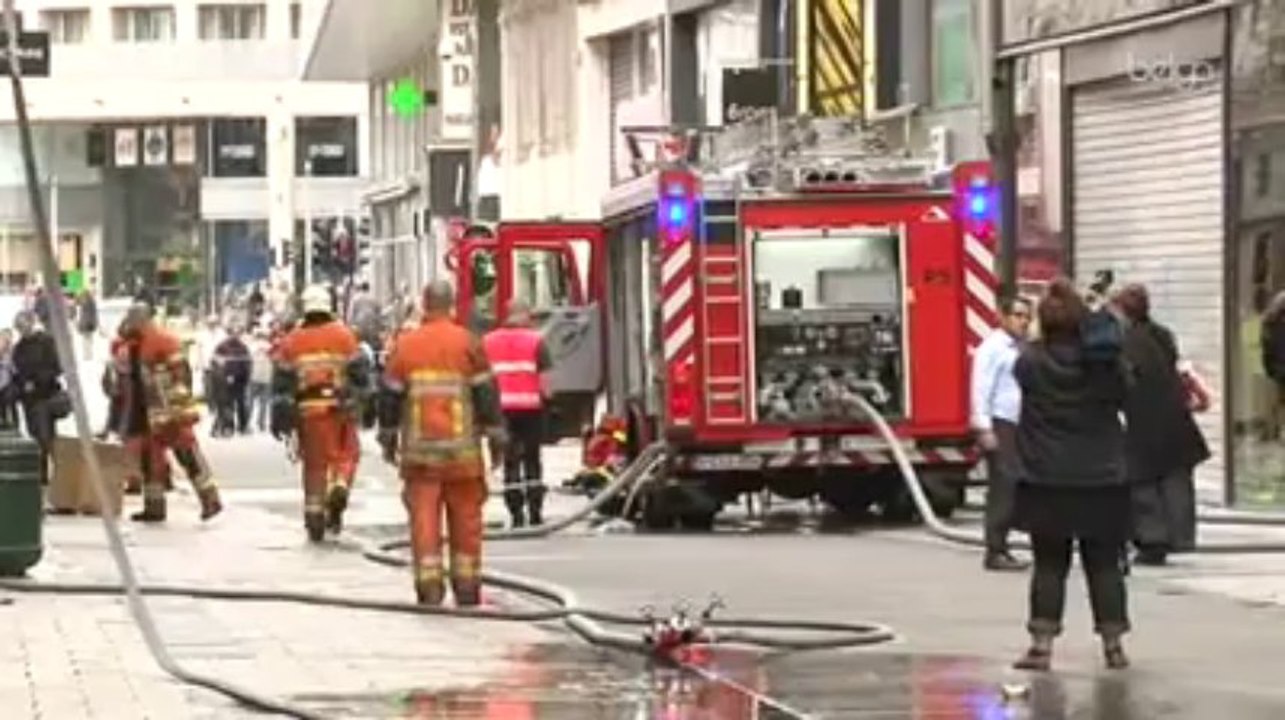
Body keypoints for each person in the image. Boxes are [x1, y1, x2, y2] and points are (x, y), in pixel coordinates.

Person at [1011, 279, 1133, 672]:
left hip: (1048, 478)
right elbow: (1125, 390)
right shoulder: (1104, 366)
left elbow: (1023, 372)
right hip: (1101, 477)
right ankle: (1113, 645)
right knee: (1104, 564)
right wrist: (1099, 323)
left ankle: (1042, 645)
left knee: (1049, 563)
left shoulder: (1030, 362)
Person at [377, 281, 506, 606]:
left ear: (424, 303)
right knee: (467, 521)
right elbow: (486, 395)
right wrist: (496, 435)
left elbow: (389, 397)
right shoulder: (468, 343)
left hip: (421, 457)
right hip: (463, 456)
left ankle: (429, 588)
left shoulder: (406, 346)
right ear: (451, 305)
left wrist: (388, 435)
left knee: (424, 522)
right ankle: (467, 587)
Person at [1112, 284, 1210, 566]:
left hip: (1142, 420)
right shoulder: (1162, 334)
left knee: (1144, 484)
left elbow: (1125, 381)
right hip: (1174, 418)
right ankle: (1179, 536)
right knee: (1175, 480)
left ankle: (1152, 541)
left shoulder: (1125, 342)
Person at [271, 285, 368, 541]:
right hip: (339, 408)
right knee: (347, 454)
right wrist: (362, 402)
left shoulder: (292, 340)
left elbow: (281, 384)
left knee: (314, 465)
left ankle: (314, 517)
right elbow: (359, 375)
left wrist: (281, 418)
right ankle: (340, 485)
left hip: (307, 410)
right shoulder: (345, 336)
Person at [119, 301, 223, 523]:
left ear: (143, 318)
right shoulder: (135, 343)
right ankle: (154, 507)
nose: (129, 321)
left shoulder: (162, 342)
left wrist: (177, 409)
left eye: (132, 317)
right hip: (149, 414)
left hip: (170, 413)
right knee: (151, 462)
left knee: (187, 455)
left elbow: (181, 376)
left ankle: (210, 499)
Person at [970, 295, 1033, 572]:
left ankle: (1009, 539)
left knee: (1021, 484)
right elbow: (981, 388)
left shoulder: (1023, 347)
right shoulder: (992, 348)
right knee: (1003, 486)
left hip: (1023, 423)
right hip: (1001, 422)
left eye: (1026, 316)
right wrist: (983, 426)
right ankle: (995, 549)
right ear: (1002, 316)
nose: (1023, 321)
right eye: (1017, 315)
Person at [482, 299, 552, 528]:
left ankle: (516, 514)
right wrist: (551, 402)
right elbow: (546, 384)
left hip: (501, 411)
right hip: (530, 409)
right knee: (532, 460)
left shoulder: (488, 342)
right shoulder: (536, 341)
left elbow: (482, 380)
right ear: (524, 315)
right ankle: (535, 512)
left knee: (510, 462)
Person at [12, 311, 63, 484]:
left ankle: (54, 473)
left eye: (23, 325)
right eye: (19, 327)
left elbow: (57, 366)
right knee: (36, 435)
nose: (22, 330)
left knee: (46, 436)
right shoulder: (19, 348)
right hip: (29, 398)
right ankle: (42, 473)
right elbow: (17, 371)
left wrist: (37, 380)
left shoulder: (46, 342)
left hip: (45, 395)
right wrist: (21, 385)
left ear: (32, 322)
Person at [214, 325, 252, 434]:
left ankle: (243, 426)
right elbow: (216, 362)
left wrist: (247, 376)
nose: (235, 335)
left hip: (241, 380)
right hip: (227, 380)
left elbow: (247, 362)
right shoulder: (222, 346)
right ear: (229, 334)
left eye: (238, 333)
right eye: (233, 333)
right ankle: (229, 426)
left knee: (242, 404)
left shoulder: (243, 346)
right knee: (228, 404)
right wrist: (225, 375)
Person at [248, 328, 274, 433]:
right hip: (267, 377)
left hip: (253, 376)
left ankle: (247, 422)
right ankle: (261, 423)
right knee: (264, 402)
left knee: (250, 401)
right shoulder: (270, 347)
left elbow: (247, 361)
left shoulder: (251, 346)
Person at [76, 287, 99, 361]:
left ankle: (87, 355)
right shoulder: (90, 302)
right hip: (88, 323)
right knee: (88, 339)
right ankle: (88, 355)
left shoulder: (87, 303)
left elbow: (90, 314)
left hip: (86, 323)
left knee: (86, 339)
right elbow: (94, 314)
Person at [0, 329, 17, 430]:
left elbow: (15, 370)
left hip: (8, 385)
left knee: (10, 402)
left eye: (8, 339)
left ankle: (13, 423)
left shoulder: (12, 353)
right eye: (3, 338)